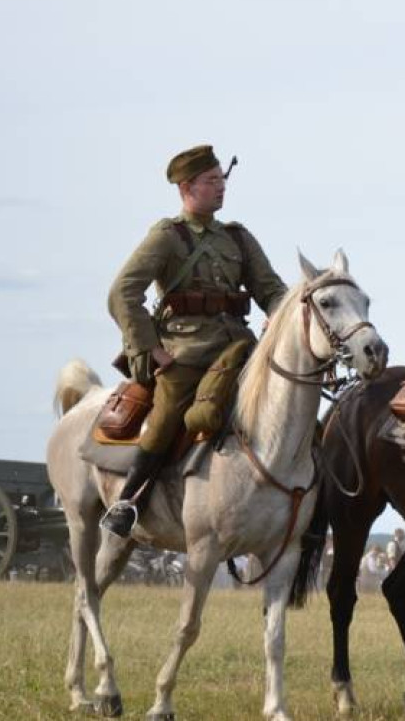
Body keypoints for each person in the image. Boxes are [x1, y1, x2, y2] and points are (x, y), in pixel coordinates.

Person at [101, 145, 288, 538]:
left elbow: (271, 289)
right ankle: (129, 501)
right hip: (184, 352)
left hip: (239, 347)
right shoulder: (168, 236)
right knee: (168, 412)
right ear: (187, 188)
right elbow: (122, 293)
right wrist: (151, 349)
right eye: (212, 181)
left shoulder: (238, 238)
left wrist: (280, 314)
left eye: (223, 179)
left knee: (288, 402)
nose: (221, 187)